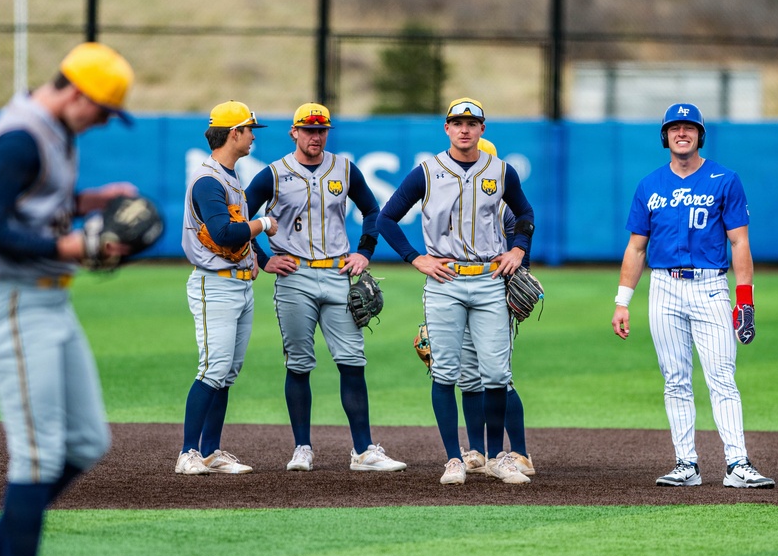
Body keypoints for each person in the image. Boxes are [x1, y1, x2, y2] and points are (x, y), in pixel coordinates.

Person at [0, 42, 138, 556]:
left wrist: (90, 202)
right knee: (36, 453)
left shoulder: (58, 131)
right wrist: (68, 248)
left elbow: (34, 207)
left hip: (49, 301)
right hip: (10, 301)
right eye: (103, 110)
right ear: (76, 93)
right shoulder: (22, 136)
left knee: (86, 442)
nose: (105, 121)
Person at [611, 102, 774, 489]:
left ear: (700, 135)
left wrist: (745, 300)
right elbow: (636, 248)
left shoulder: (725, 179)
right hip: (664, 287)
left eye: (689, 127)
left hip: (710, 287)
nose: (681, 133)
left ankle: (737, 463)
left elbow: (740, 243)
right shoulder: (650, 185)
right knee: (675, 378)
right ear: (665, 136)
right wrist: (622, 301)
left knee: (722, 377)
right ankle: (686, 464)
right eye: (674, 128)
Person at [377, 98, 535, 485]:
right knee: (446, 373)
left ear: (483, 129)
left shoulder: (501, 171)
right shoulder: (427, 171)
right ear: (446, 128)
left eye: (472, 122)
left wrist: (518, 249)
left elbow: (525, 215)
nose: (465, 128)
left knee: (497, 374)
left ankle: (500, 457)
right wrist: (416, 258)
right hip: (444, 281)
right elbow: (386, 219)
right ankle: (454, 459)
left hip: (487, 279)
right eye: (457, 122)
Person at [244, 102, 406, 473]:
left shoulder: (344, 169)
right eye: (308, 130)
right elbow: (241, 216)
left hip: (337, 275)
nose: (315, 136)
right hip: (294, 276)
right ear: (294, 133)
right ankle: (302, 447)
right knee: (299, 363)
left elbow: (371, 210)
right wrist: (264, 258)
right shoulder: (274, 174)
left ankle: (363, 450)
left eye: (321, 130)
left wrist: (365, 251)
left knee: (352, 361)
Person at [174, 101, 278, 476]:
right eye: (250, 130)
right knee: (213, 368)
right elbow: (223, 233)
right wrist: (264, 223)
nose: (253, 136)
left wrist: (265, 261)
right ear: (233, 133)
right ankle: (188, 453)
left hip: (239, 284)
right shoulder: (208, 180)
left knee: (227, 372)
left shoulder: (229, 176)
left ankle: (211, 451)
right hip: (213, 284)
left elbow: (238, 239)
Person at [458, 137, 534, 479]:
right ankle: (476, 451)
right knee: (468, 378)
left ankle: (519, 452)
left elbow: (521, 259)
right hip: (461, 299)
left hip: (494, 301)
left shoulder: (505, 210)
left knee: (499, 378)